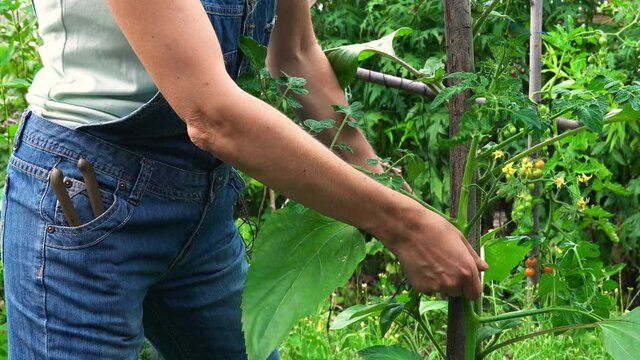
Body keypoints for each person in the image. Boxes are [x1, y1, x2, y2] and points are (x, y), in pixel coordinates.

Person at [1, 0, 488, 358]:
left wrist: (392, 190)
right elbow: (213, 116)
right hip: (85, 207)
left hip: (202, 208)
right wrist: (402, 226)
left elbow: (295, 53)